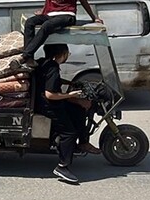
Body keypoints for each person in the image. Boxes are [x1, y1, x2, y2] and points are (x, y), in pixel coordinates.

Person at [34, 44, 101, 184]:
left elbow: (49, 83)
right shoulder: (52, 68)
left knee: (79, 109)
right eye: (67, 53)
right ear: (62, 54)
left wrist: (70, 84)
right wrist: (70, 95)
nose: (67, 56)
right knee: (69, 132)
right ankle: (62, 166)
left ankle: (82, 143)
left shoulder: (43, 62)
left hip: (44, 102)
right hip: (49, 105)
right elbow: (50, 94)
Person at [21, 0, 103, 67]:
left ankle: (25, 55)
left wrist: (94, 17)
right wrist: (43, 11)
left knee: (47, 25)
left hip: (67, 15)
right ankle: (29, 58)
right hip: (50, 14)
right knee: (30, 22)